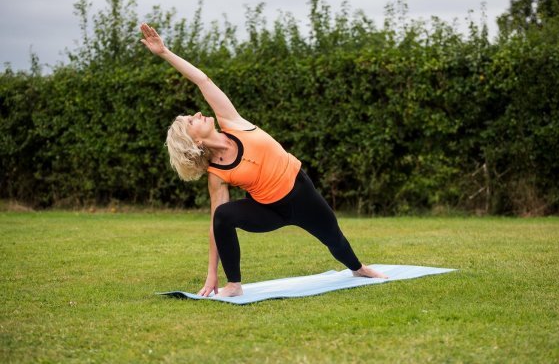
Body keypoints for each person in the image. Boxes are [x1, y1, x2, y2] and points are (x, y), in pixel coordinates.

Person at [140, 23, 388, 297]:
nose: (198, 113)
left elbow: (202, 81)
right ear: (195, 142)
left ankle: (358, 268)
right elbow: (216, 226)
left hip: (301, 191)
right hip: (269, 210)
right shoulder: (217, 174)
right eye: (191, 120)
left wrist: (165, 53)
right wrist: (212, 275)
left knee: (335, 239)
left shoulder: (231, 121)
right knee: (223, 215)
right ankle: (234, 284)